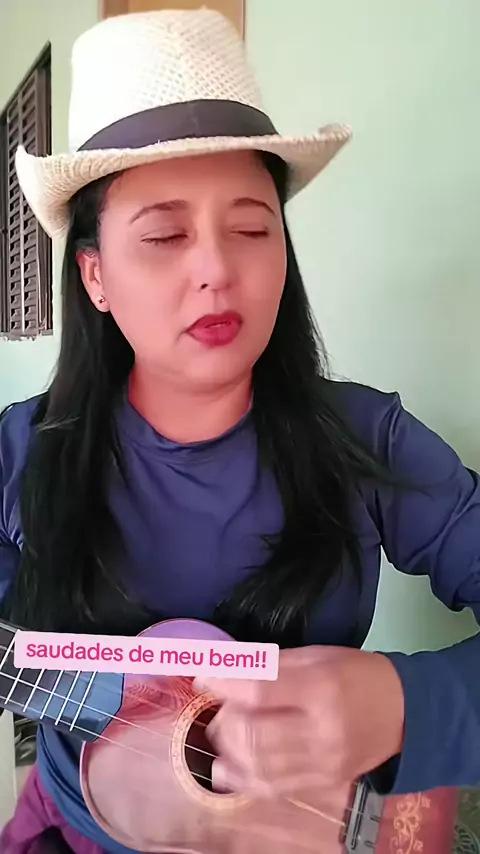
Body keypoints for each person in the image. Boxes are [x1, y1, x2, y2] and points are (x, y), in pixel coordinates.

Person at [0, 8, 478, 854]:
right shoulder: (16, 456)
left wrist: (406, 702)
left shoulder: (371, 439)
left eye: (253, 228)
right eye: (165, 235)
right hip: (79, 830)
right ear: (95, 275)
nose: (218, 270)